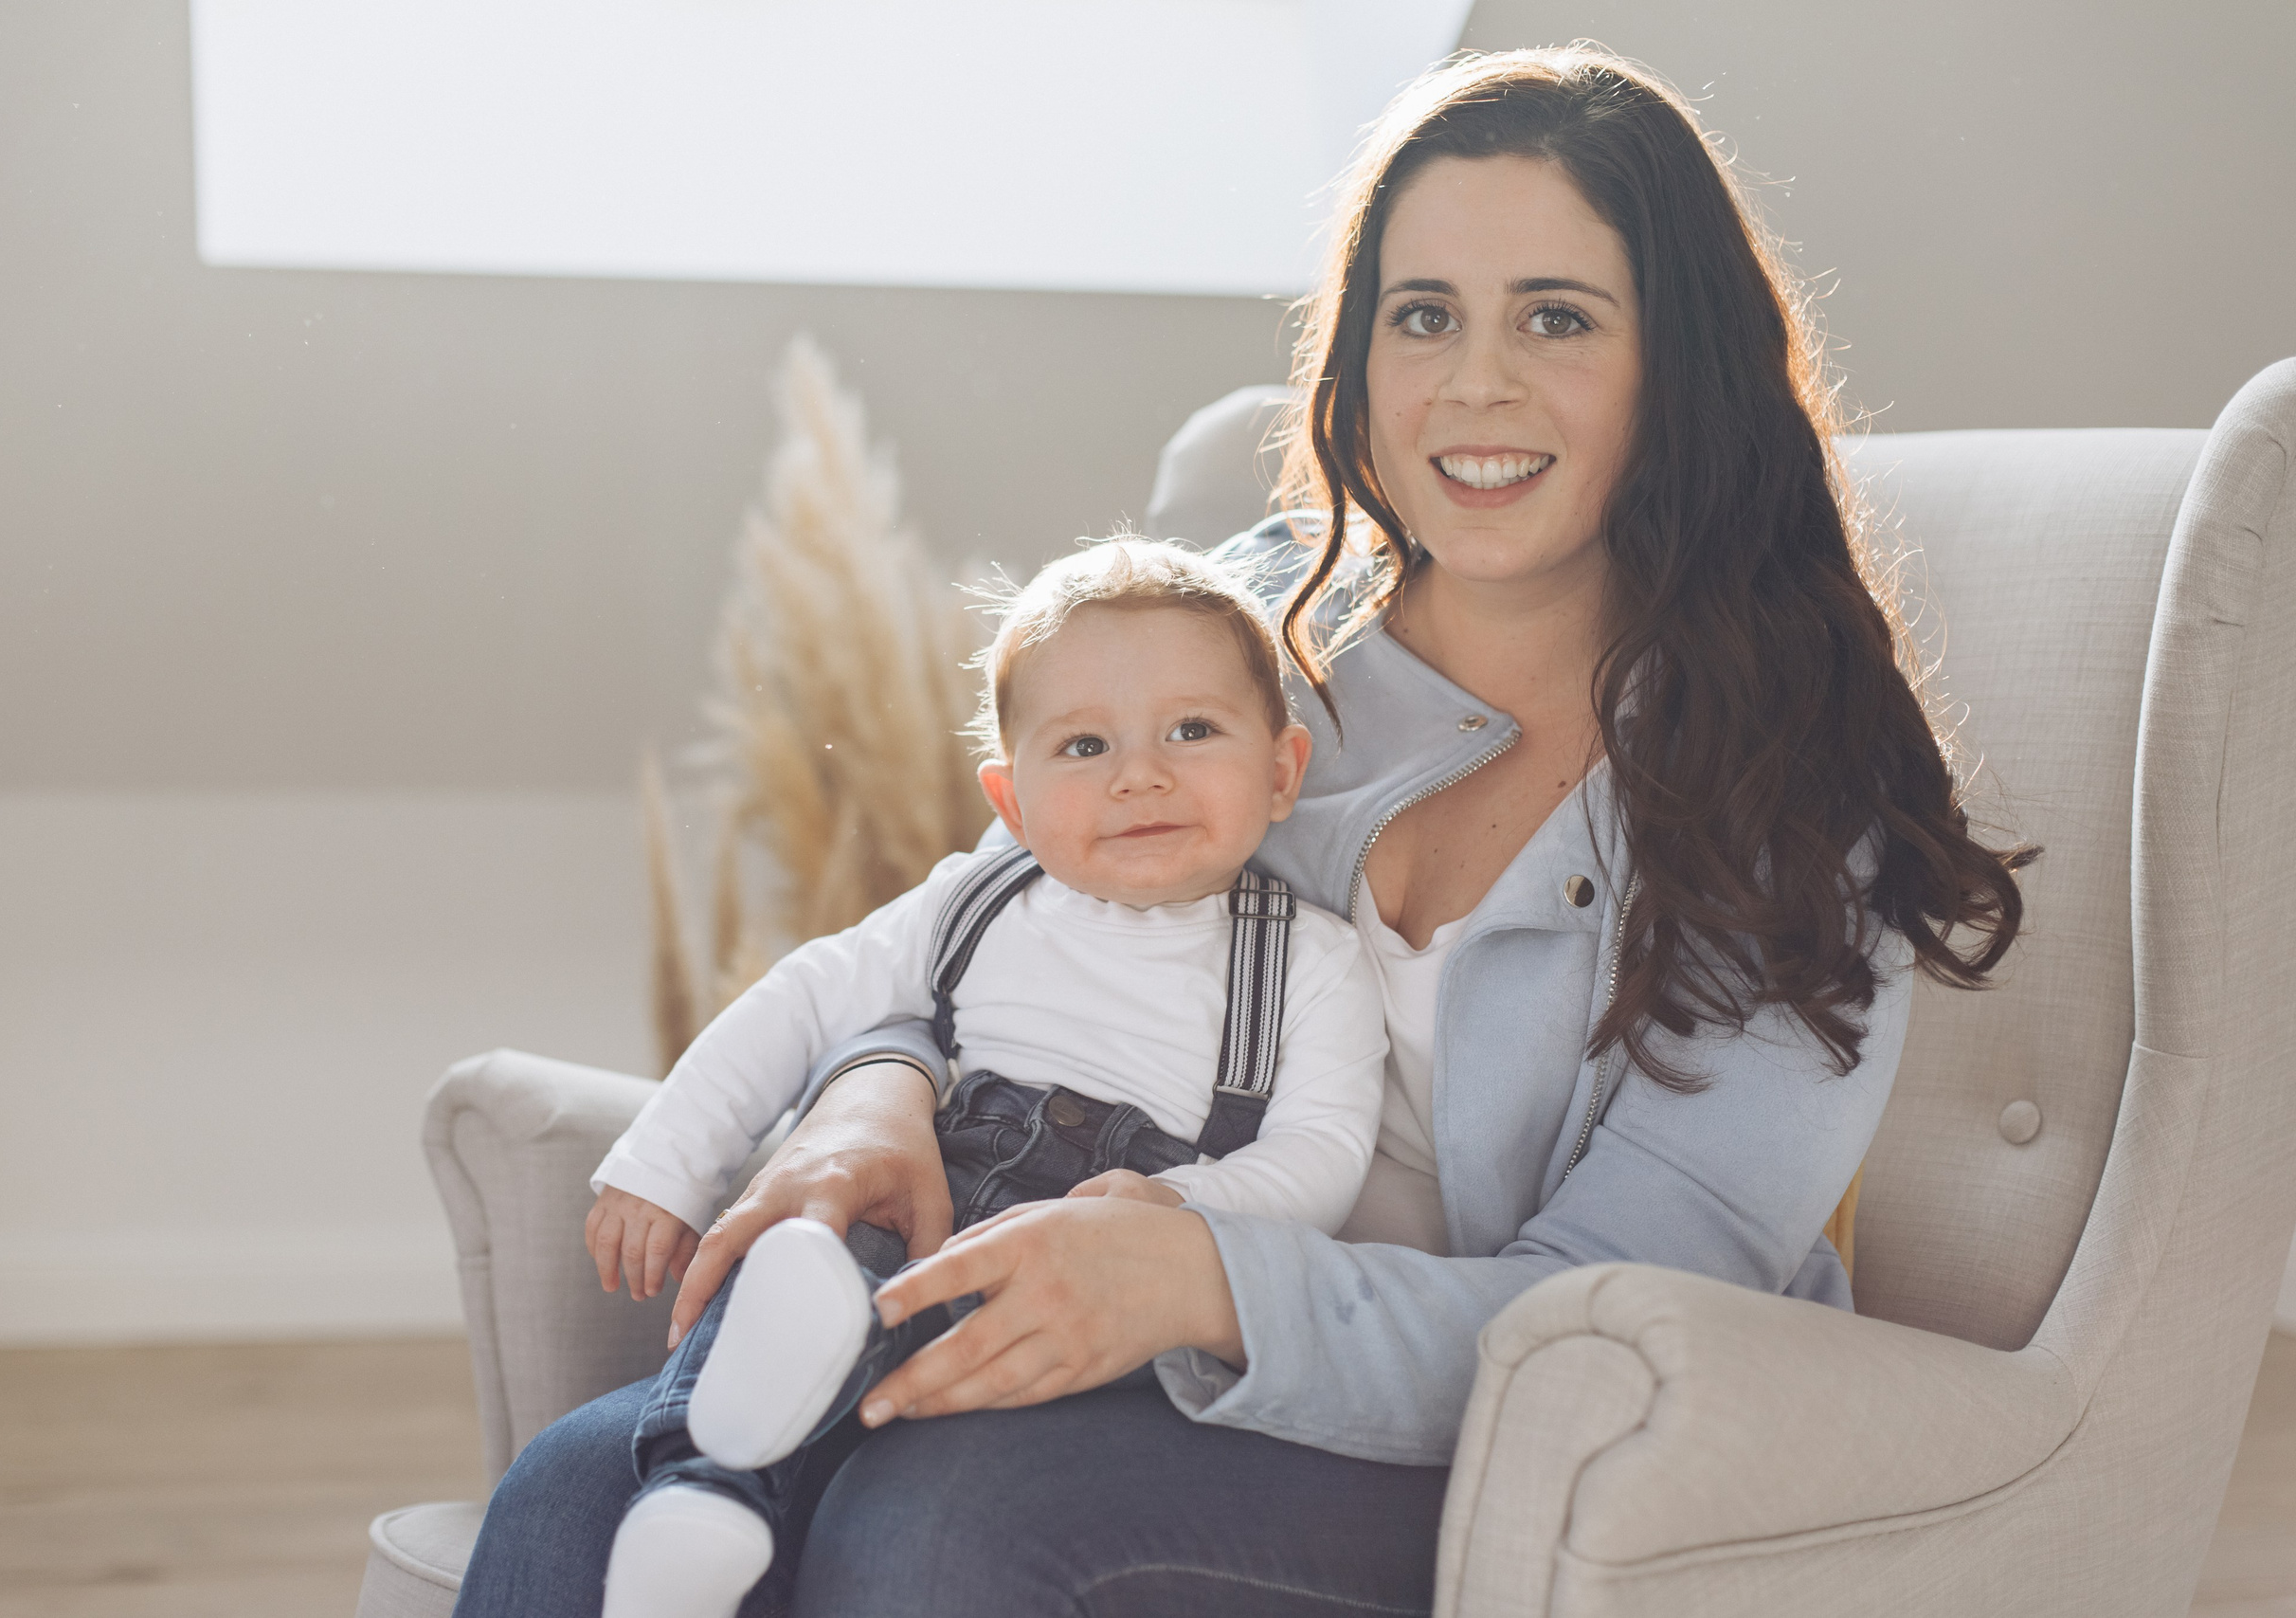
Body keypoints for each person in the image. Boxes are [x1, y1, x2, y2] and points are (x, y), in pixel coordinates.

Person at [453, 45, 2033, 1617]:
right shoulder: (1256, 630)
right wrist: (868, 1088)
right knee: (584, 1490)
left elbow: (1622, 1315)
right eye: (1424, 317)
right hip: (1133, 1345)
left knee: (941, 1528)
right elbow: (983, 926)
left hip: (1541, 1461)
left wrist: (1207, 1282)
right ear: (1355, 357)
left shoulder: (1793, 804)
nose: (1474, 386)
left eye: (1557, 316)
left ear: (1673, 363)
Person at [574, 538, 1387, 1617]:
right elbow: (805, 998)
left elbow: (1323, 1152)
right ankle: (703, 1495)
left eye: (1192, 731)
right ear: (1011, 802)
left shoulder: (1310, 961)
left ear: (1281, 771)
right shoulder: (975, 901)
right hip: (929, 1206)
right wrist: (667, 1160)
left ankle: (776, 1421)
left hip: (1103, 1271)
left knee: (907, 1347)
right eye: (1085, 744)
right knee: (809, 1248)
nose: (1140, 774)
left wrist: (1181, 1205)